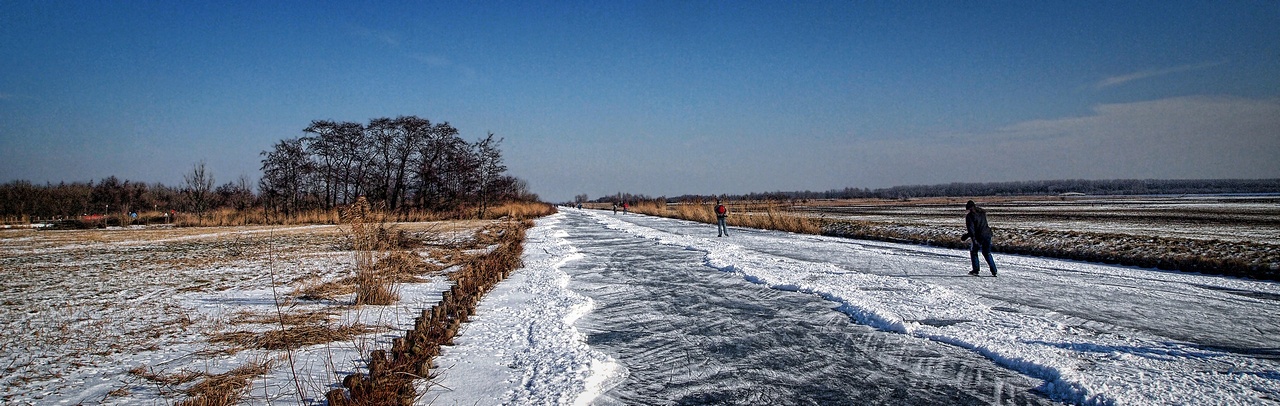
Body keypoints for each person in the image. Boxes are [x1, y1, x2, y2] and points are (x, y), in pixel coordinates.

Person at [961, 200, 997, 276]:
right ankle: (994, 270)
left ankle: (975, 270)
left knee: (974, 252)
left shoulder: (970, 216)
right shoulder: (982, 213)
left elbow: (972, 229)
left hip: (979, 236)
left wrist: (972, 239)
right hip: (987, 234)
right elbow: (981, 226)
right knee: (987, 253)